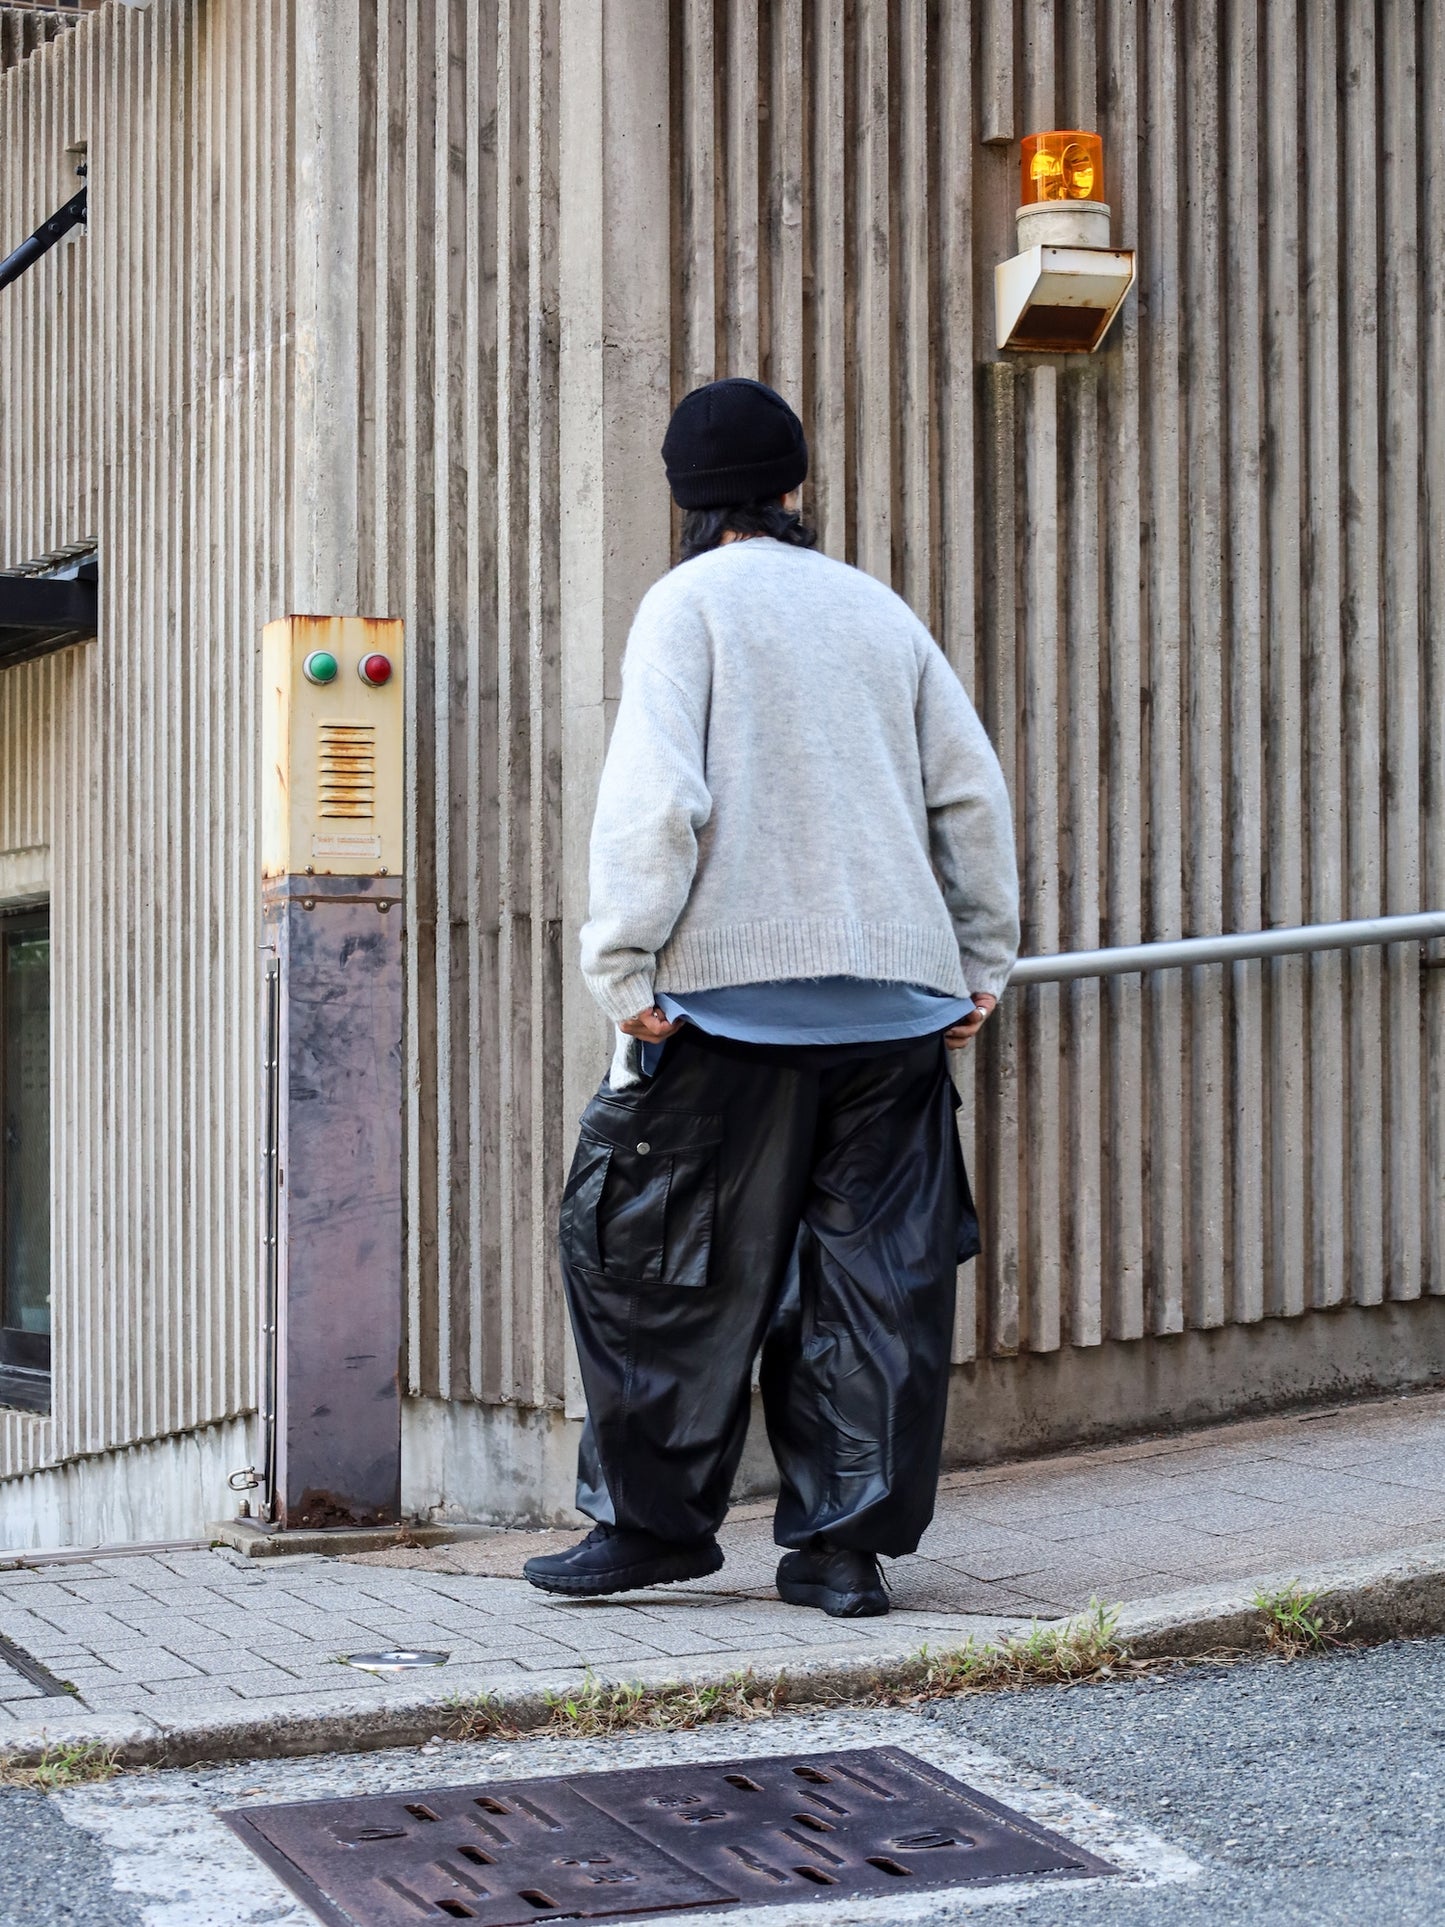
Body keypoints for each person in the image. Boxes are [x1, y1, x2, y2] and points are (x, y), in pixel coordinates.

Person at [524, 377, 1019, 1617]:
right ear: (796, 486)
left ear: (685, 500)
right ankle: (841, 1553)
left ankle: (650, 1527)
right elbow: (967, 794)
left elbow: (655, 799)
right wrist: (978, 961)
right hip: (892, 1011)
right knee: (876, 1285)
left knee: (650, 1262)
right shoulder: (875, 609)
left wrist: (620, 966)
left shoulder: (685, 605)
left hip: (724, 1009)